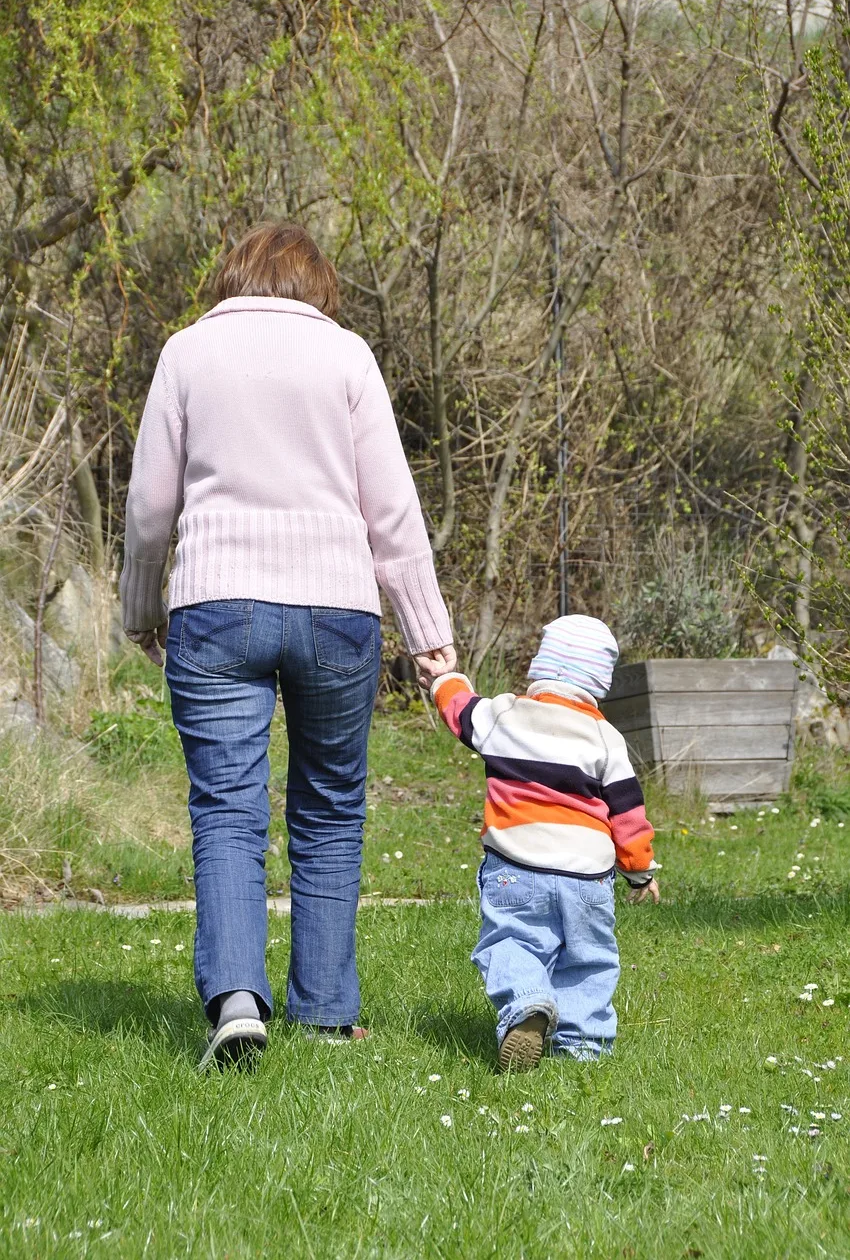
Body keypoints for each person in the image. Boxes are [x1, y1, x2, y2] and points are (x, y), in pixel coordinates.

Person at [120, 222, 455, 1069]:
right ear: (318, 285)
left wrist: (138, 604)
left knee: (228, 808)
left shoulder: (187, 353)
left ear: (233, 275)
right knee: (332, 806)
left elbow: (151, 505)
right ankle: (328, 1015)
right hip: (337, 608)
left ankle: (237, 1002)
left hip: (217, 602)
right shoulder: (347, 357)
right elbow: (392, 511)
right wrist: (430, 637)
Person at [425, 614, 658, 1072]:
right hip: (588, 878)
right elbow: (629, 815)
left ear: (538, 666)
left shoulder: (505, 714)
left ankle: (527, 1002)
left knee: (511, 942)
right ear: (600, 683)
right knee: (588, 959)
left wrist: (443, 678)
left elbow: (460, 709)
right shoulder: (606, 738)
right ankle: (583, 1049)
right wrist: (639, 872)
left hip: (515, 868)